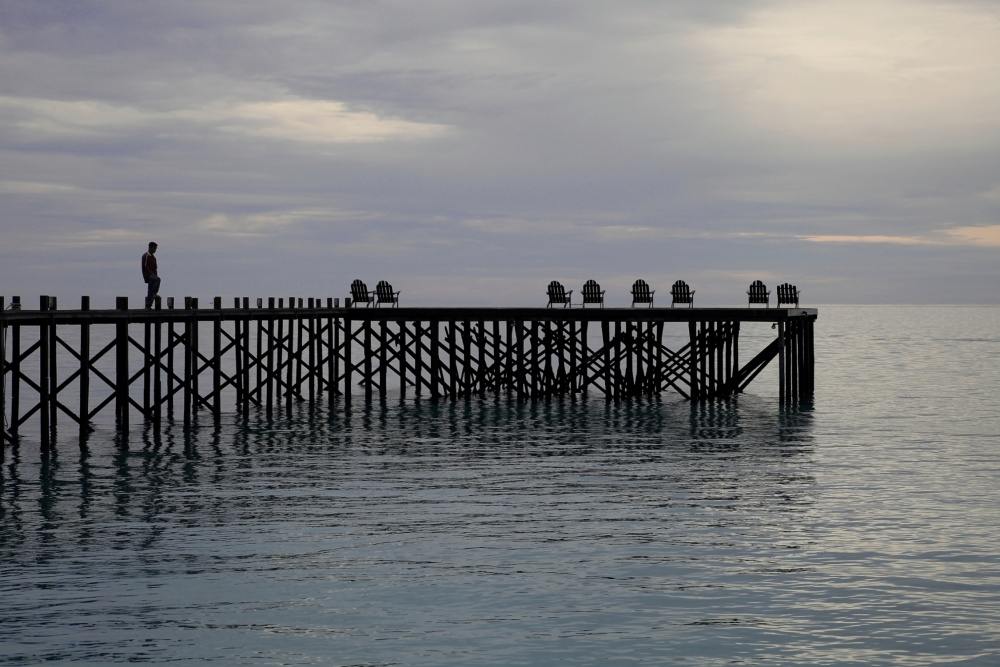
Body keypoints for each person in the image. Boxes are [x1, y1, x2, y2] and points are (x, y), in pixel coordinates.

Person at [141, 242, 160, 309]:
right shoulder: (146, 256)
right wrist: (152, 274)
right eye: (154, 248)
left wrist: (155, 275)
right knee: (157, 280)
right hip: (148, 275)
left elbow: (155, 268)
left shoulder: (153, 258)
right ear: (150, 247)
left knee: (150, 289)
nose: (155, 250)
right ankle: (154, 294)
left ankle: (148, 305)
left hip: (153, 276)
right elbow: (145, 266)